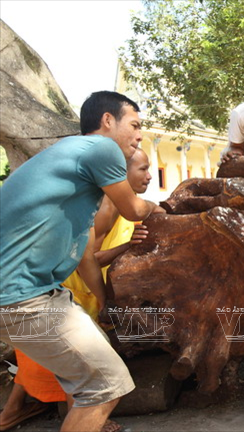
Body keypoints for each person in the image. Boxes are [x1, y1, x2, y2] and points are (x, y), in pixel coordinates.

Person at [0, 90, 166, 432]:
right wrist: (159, 208)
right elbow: (133, 209)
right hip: (21, 299)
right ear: (107, 121)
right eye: (134, 125)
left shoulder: (70, 163)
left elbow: (84, 258)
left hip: (34, 294)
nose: (139, 135)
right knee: (109, 381)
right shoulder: (100, 148)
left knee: (91, 361)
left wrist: (104, 301)